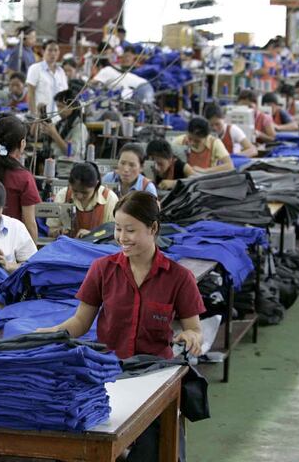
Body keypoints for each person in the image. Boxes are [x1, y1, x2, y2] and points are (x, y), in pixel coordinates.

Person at [38, 191, 204, 462]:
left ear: (153, 228)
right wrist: (49, 334)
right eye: (117, 228)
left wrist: (190, 335)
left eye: (130, 230)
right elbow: (80, 322)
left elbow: (194, 329)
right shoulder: (102, 269)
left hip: (154, 375)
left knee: (157, 445)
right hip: (108, 371)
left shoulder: (179, 277)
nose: (122, 237)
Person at [49, 162, 119, 238]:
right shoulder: (62, 196)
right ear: (70, 184)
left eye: (85, 193)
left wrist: (92, 234)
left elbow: (115, 233)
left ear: (96, 185)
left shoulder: (109, 199)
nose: (79, 196)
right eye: (75, 191)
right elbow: (51, 231)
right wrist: (58, 232)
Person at [36, 89, 88, 160]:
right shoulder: (60, 123)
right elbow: (35, 135)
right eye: (57, 106)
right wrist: (40, 115)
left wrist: (54, 134)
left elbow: (71, 152)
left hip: (69, 167)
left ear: (72, 106)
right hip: (56, 164)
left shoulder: (80, 127)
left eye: (61, 106)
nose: (58, 110)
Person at [26, 40, 68, 119]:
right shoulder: (35, 69)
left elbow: (65, 95)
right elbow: (30, 93)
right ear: (43, 51)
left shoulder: (61, 72)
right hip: (40, 118)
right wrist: (34, 115)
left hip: (58, 118)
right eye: (50, 50)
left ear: (59, 52)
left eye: (56, 50)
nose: (53, 53)